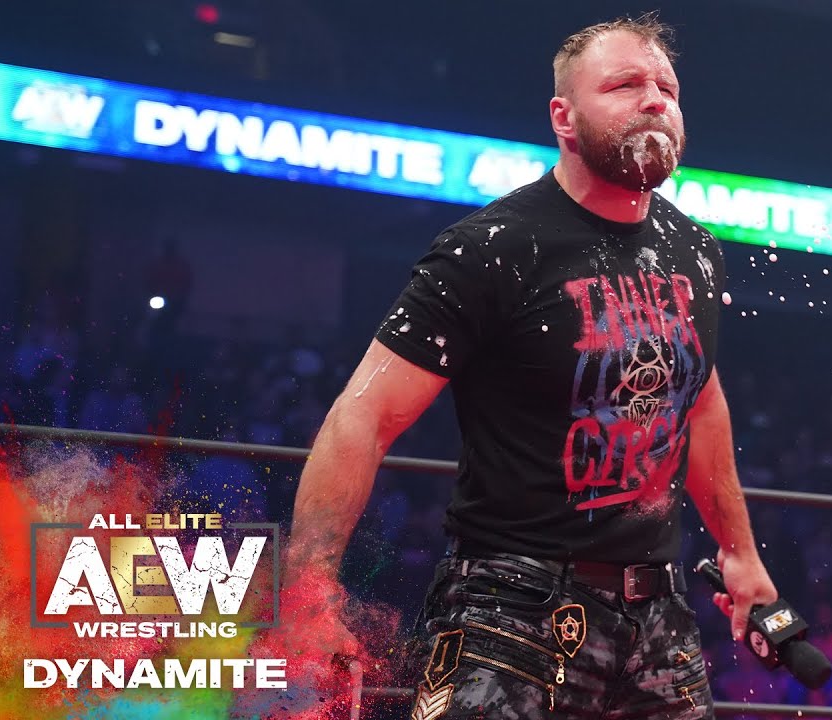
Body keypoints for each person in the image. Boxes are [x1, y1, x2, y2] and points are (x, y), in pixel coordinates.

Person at [280, 13, 778, 718]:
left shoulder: (694, 250)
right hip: (509, 606)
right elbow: (363, 417)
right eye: (625, 85)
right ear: (564, 118)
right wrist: (310, 590)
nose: (654, 100)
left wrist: (741, 554)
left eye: (667, 88)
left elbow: (699, 403)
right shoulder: (492, 248)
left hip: (657, 614)